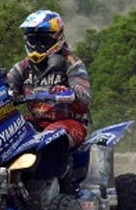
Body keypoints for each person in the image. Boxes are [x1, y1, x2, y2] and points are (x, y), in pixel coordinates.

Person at [7, 10, 91, 151]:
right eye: (33, 40)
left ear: (57, 37)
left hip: (69, 123)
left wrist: (69, 93)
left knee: (51, 138)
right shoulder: (23, 67)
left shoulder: (71, 63)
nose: (37, 46)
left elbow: (85, 98)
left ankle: (52, 172)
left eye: (43, 40)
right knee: (2, 135)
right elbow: (6, 85)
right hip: (34, 122)